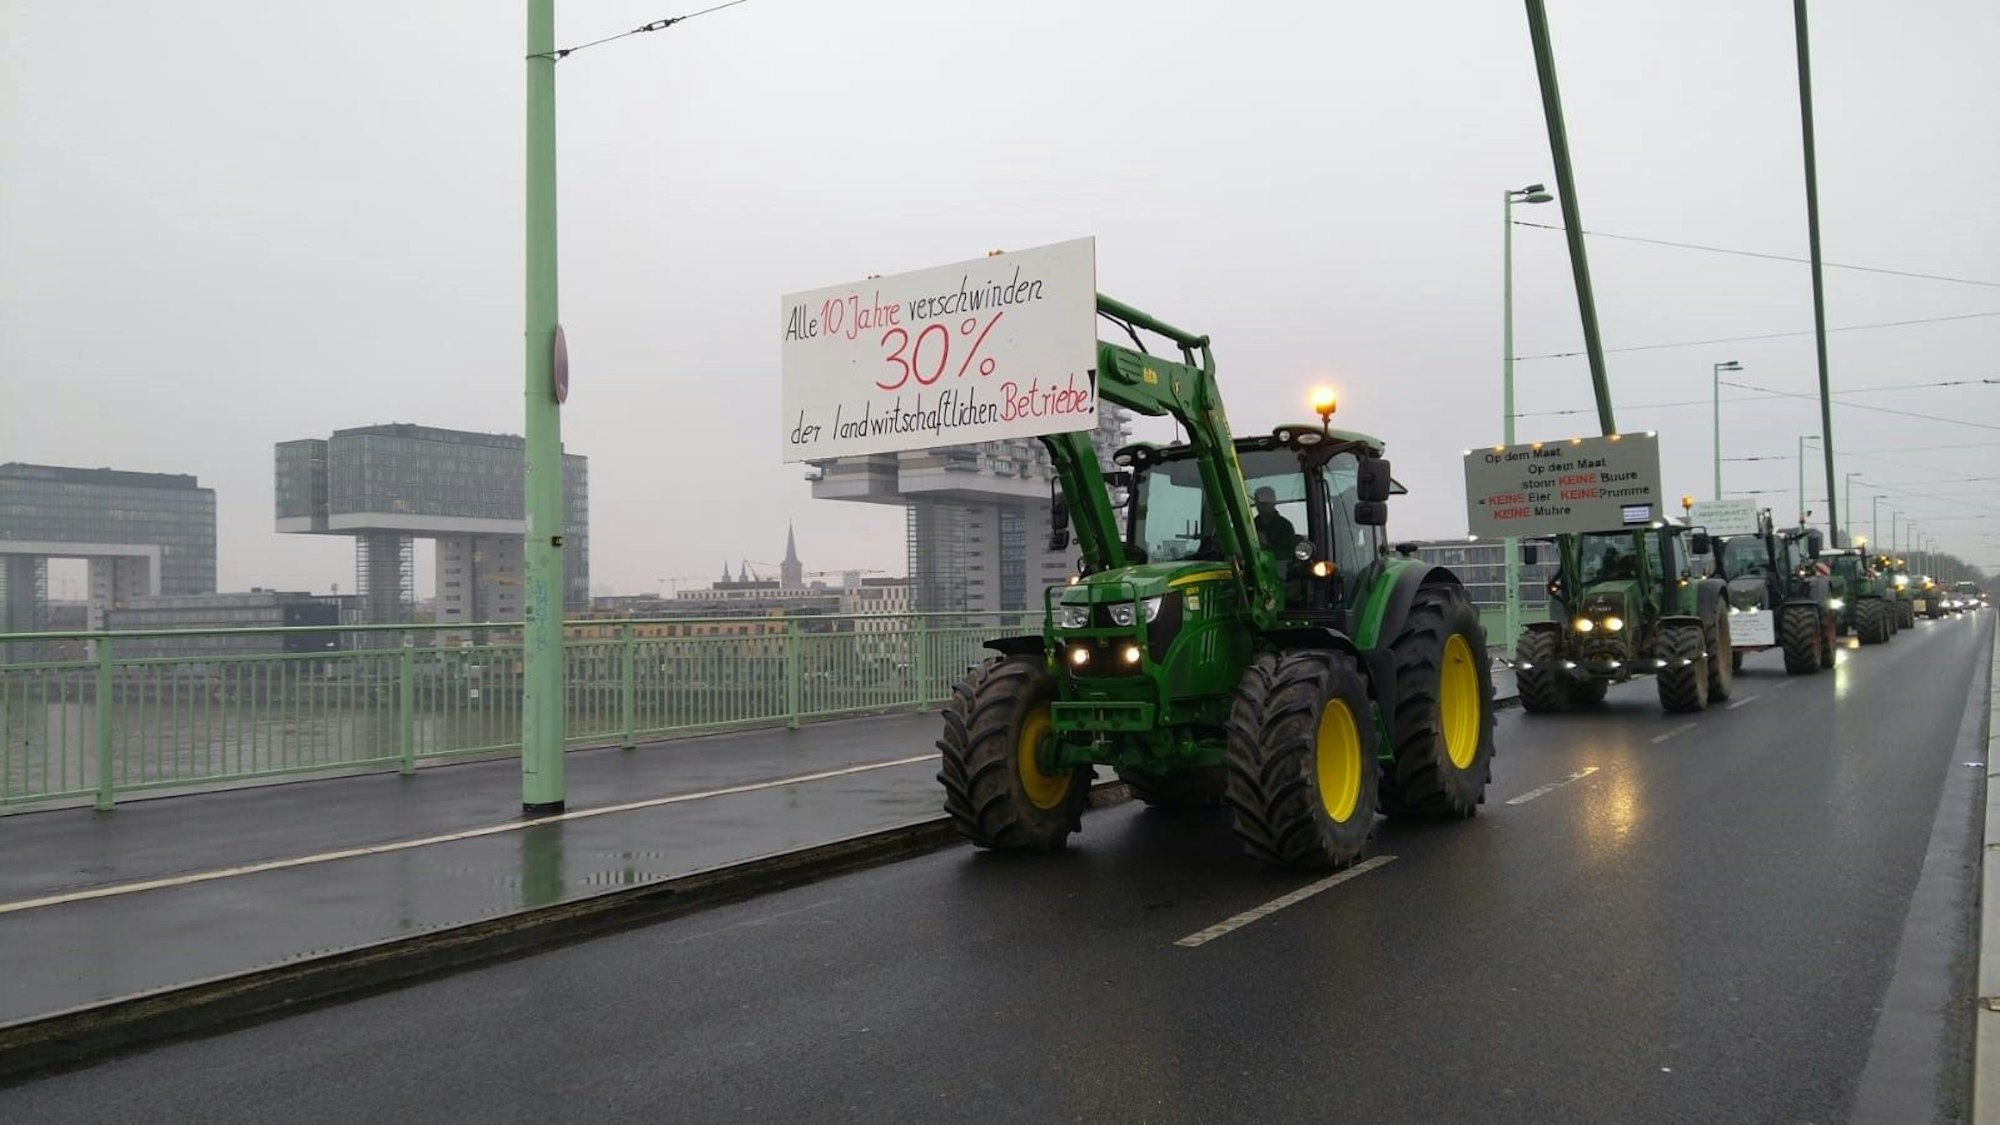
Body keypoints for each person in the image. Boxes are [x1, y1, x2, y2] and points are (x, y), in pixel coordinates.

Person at [1253, 486, 1297, 553]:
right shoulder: (1252, 525)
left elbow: (1289, 553)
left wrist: (1267, 544)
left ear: (1273, 503)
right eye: (1257, 503)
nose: (1260, 507)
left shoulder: (1285, 526)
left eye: (1264, 503)